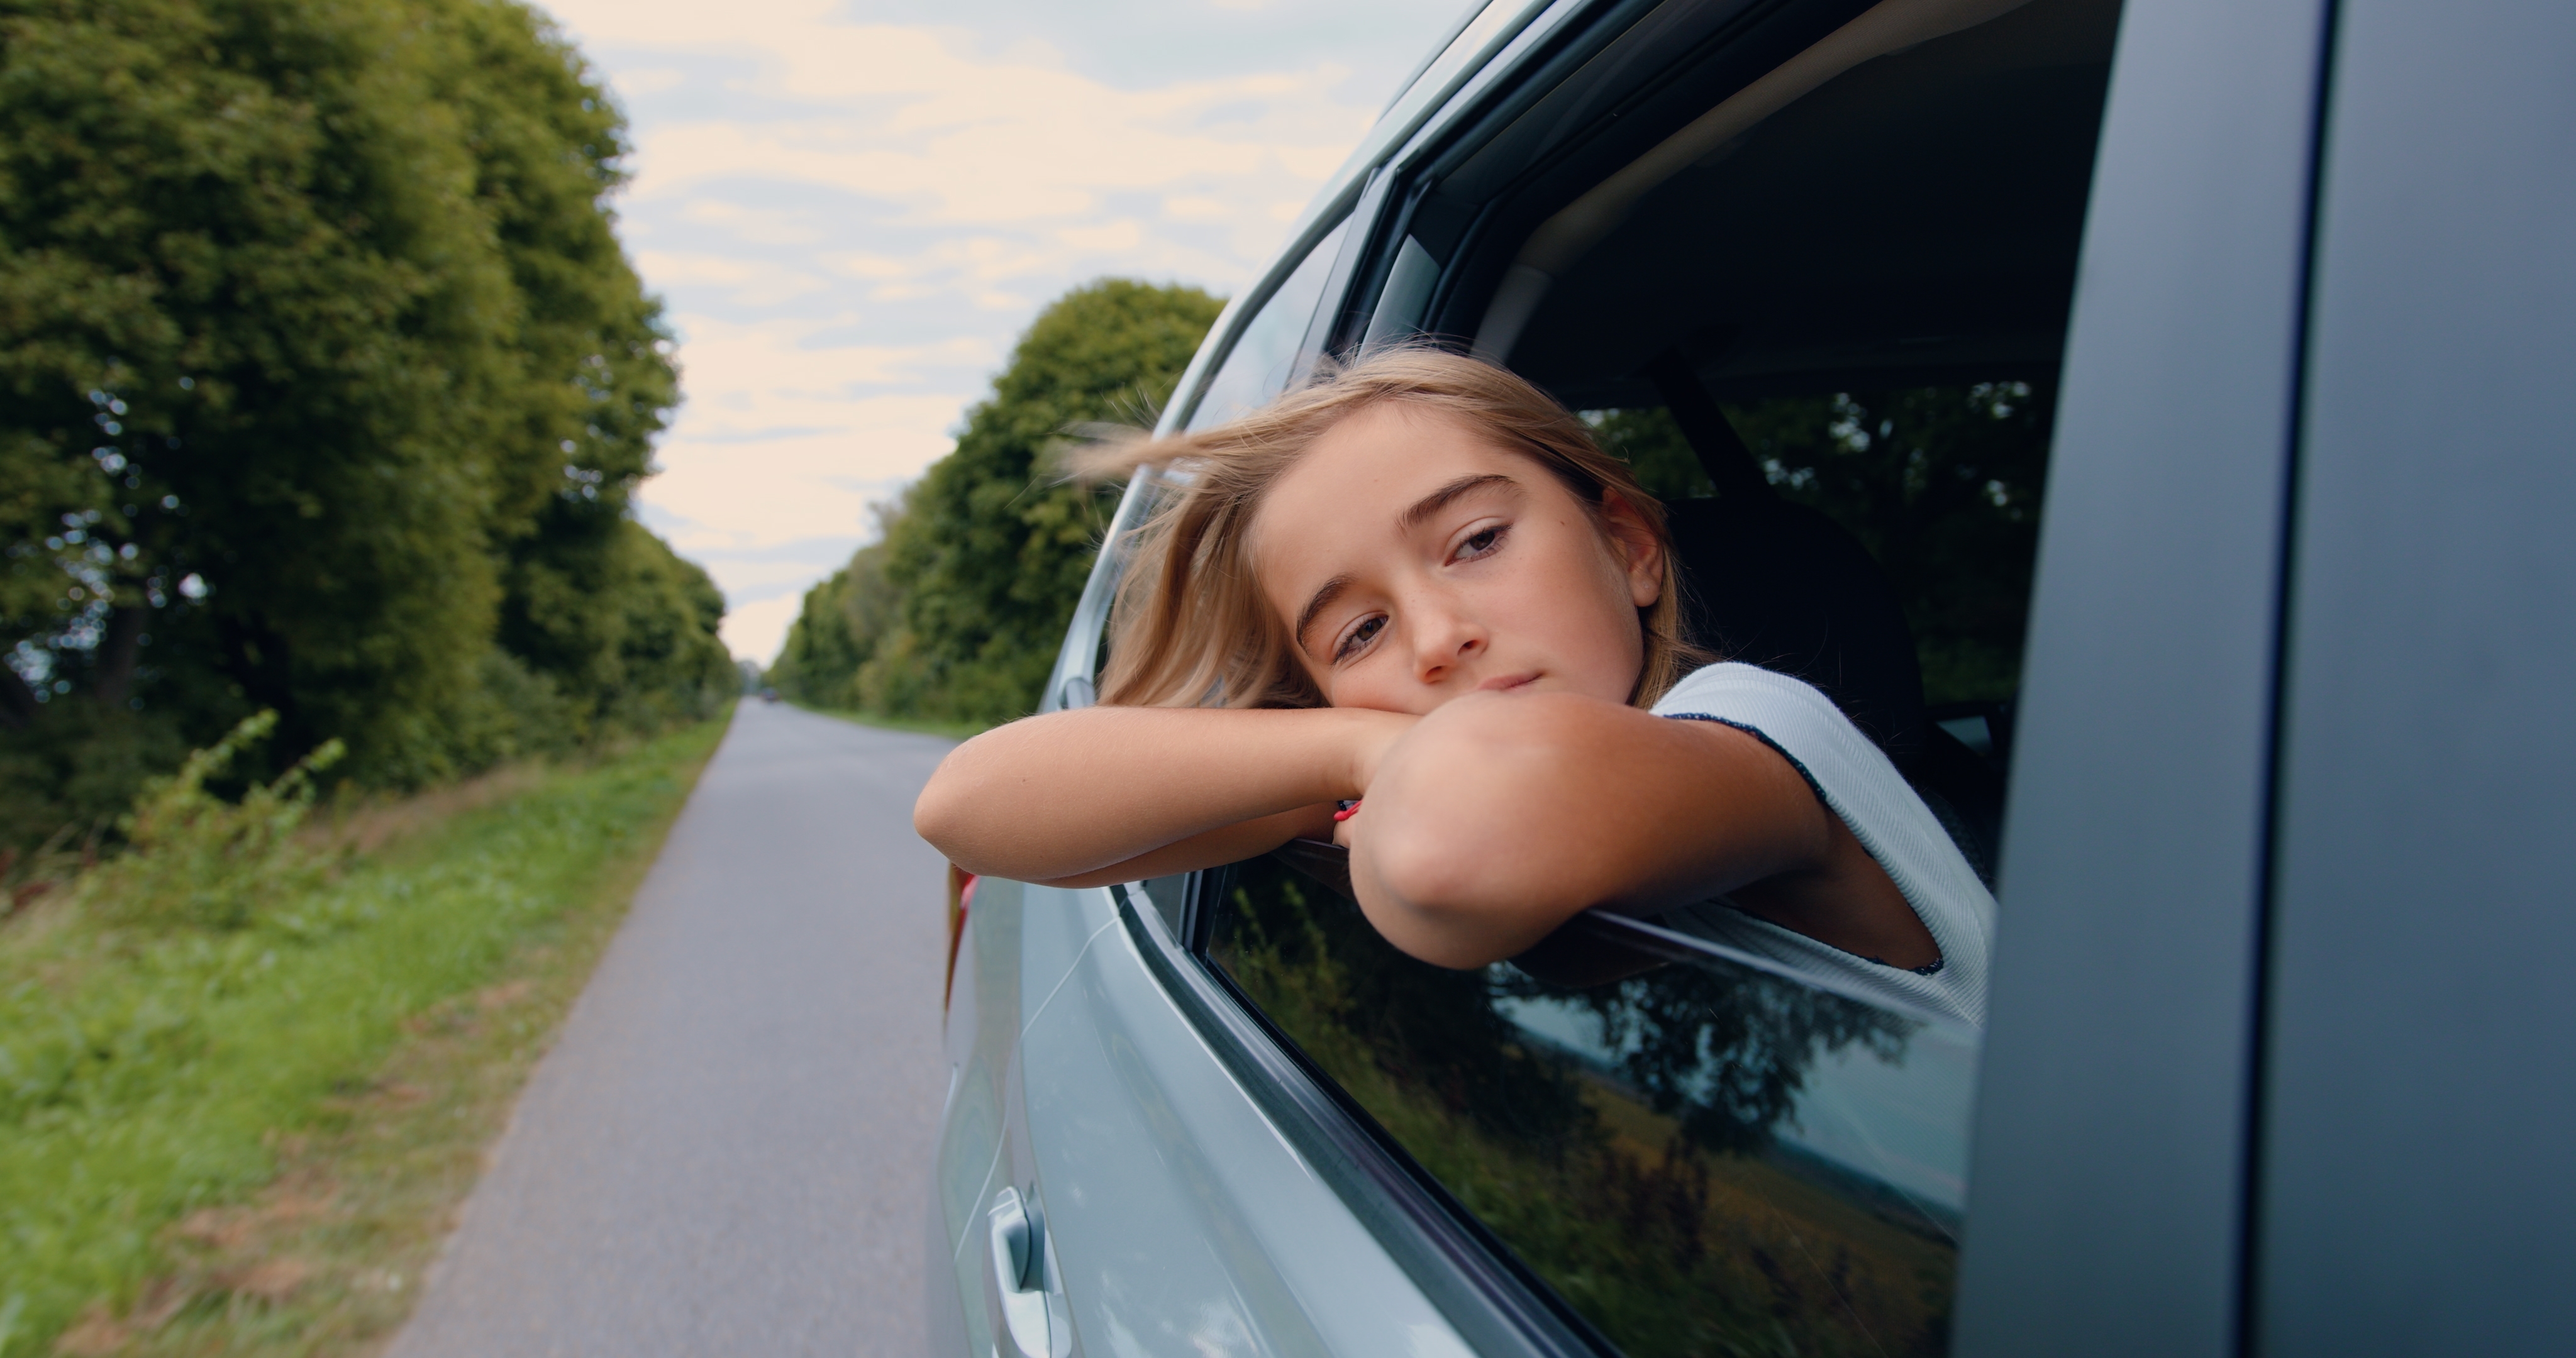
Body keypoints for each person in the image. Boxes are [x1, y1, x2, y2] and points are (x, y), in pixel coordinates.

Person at [913, 347, 1994, 1025]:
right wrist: (1352, 750)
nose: (1437, 639)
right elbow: (965, 804)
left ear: (1628, 546)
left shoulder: (1764, 737)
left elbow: (1450, 845)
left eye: (1477, 540)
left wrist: (1369, 753)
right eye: (1360, 631)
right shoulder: (1388, 754)